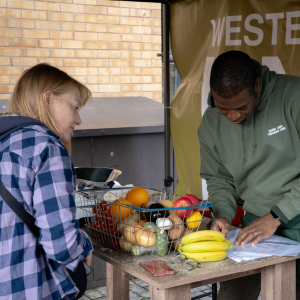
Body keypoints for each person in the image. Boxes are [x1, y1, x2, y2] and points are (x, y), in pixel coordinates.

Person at [198, 50, 300, 299]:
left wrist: (276, 216)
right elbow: (219, 178)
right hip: (255, 227)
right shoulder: (211, 122)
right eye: (224, 109)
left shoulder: (294, 97)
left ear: (256, 84)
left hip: (291, 216)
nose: (233, 116)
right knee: (233, 294)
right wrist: (222, 214)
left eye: (242, 107)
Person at [0, 63, 93, 300]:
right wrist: (85, 245)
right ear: (48, 99)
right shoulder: (46, 148)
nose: (78, 119)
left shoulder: (4, 143)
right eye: (75, 107)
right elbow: (61, 244)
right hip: (28, 289)